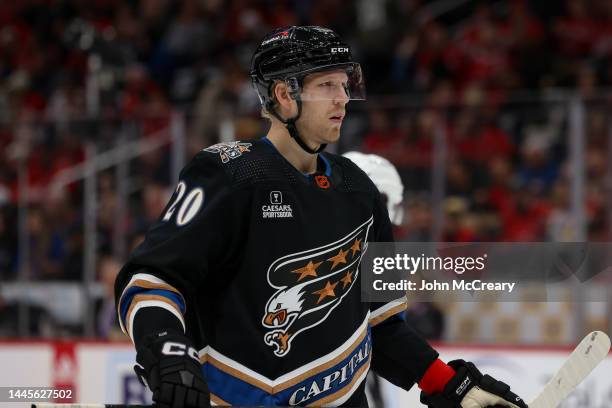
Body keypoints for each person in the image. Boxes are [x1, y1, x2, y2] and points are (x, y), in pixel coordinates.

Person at [115, 26, 527, 408]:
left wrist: (447, 382)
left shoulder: (360, 192)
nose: (343, 98)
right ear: (284, 95)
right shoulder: (229, 174)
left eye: (345, 86)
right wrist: (167, 351)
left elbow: (380, 324)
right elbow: (152, 281)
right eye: (327, 85)